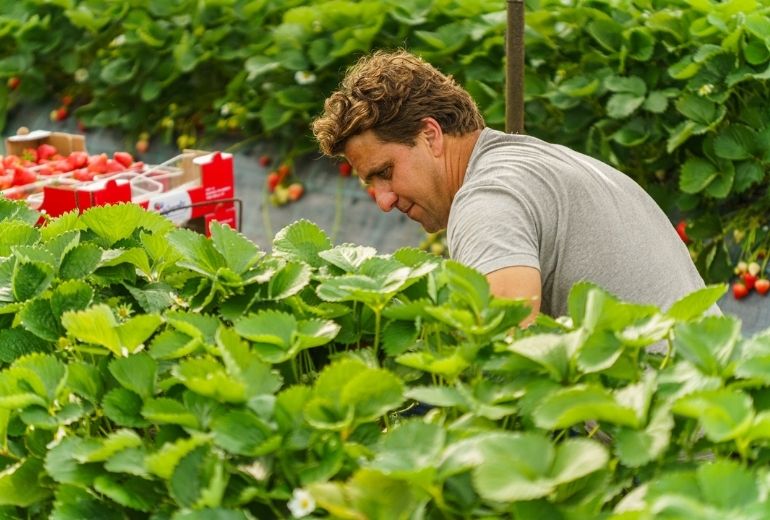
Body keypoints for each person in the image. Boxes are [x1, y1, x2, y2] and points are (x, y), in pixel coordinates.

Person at [311, 49, 716, 324]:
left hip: (672, 436)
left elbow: (504, 348)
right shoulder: (540, 162)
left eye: (385, 172)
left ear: (431, 135)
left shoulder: (488, 200)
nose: (382, 200)